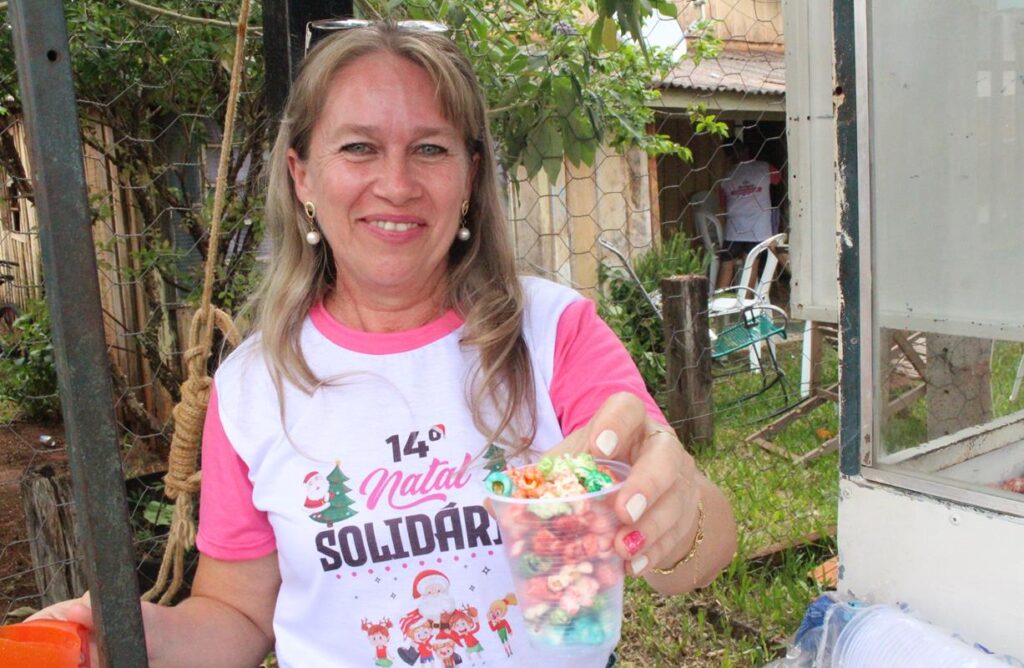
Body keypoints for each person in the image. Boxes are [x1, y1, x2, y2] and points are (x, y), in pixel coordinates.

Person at [31, 21, 737, 667]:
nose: (395, 184)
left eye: (430, 149)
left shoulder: (552, 333)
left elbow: (699, 533)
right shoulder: (253, 387)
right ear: (302, 175)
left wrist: (678, 518)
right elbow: (239, 615)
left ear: (469, 177)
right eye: (359, 147)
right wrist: (134, 635)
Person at [715, 138, 783, 289]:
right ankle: (746, 305)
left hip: (733, 231)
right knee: (749, 267)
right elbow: (778, 180)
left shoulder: (727, 175)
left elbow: (722, 203)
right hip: (758, 230)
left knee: (726, 267)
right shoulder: (764, 168)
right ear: (746, 150)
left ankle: (719, 305)